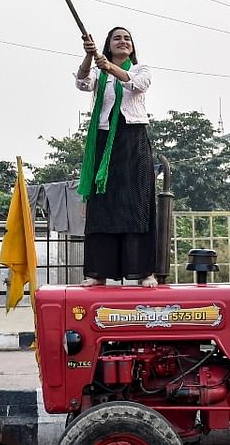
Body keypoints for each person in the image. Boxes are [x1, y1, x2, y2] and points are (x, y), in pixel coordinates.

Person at [75, 27, 157, 287]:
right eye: (117, 38)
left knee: (138, 203)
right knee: (102, 206)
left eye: (127, 38)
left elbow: (135, 84)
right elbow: (82, 82)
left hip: (133, 141)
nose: (123, 41)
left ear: (132, 46)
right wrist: (89, 56)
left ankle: (144, 271)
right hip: (103, 139)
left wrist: (109, 66)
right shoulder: (99, 72)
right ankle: (98, 272)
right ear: (108, 45)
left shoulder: (141, 69)